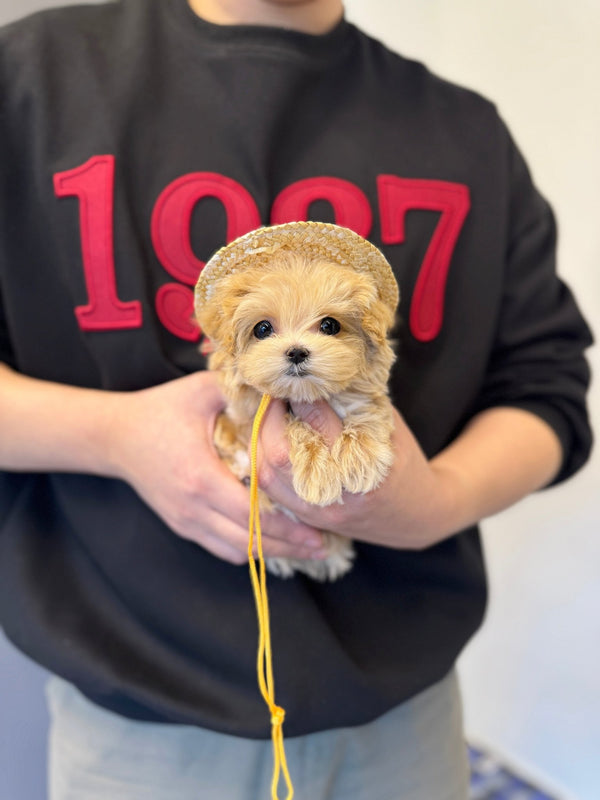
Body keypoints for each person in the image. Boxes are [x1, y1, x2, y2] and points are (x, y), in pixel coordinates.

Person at [0, 0, 593, 798]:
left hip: (404, 716)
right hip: (142, 724)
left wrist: (438, 502)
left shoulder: (467, 132)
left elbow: (548, 385)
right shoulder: (27, 80)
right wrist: (113, 436)